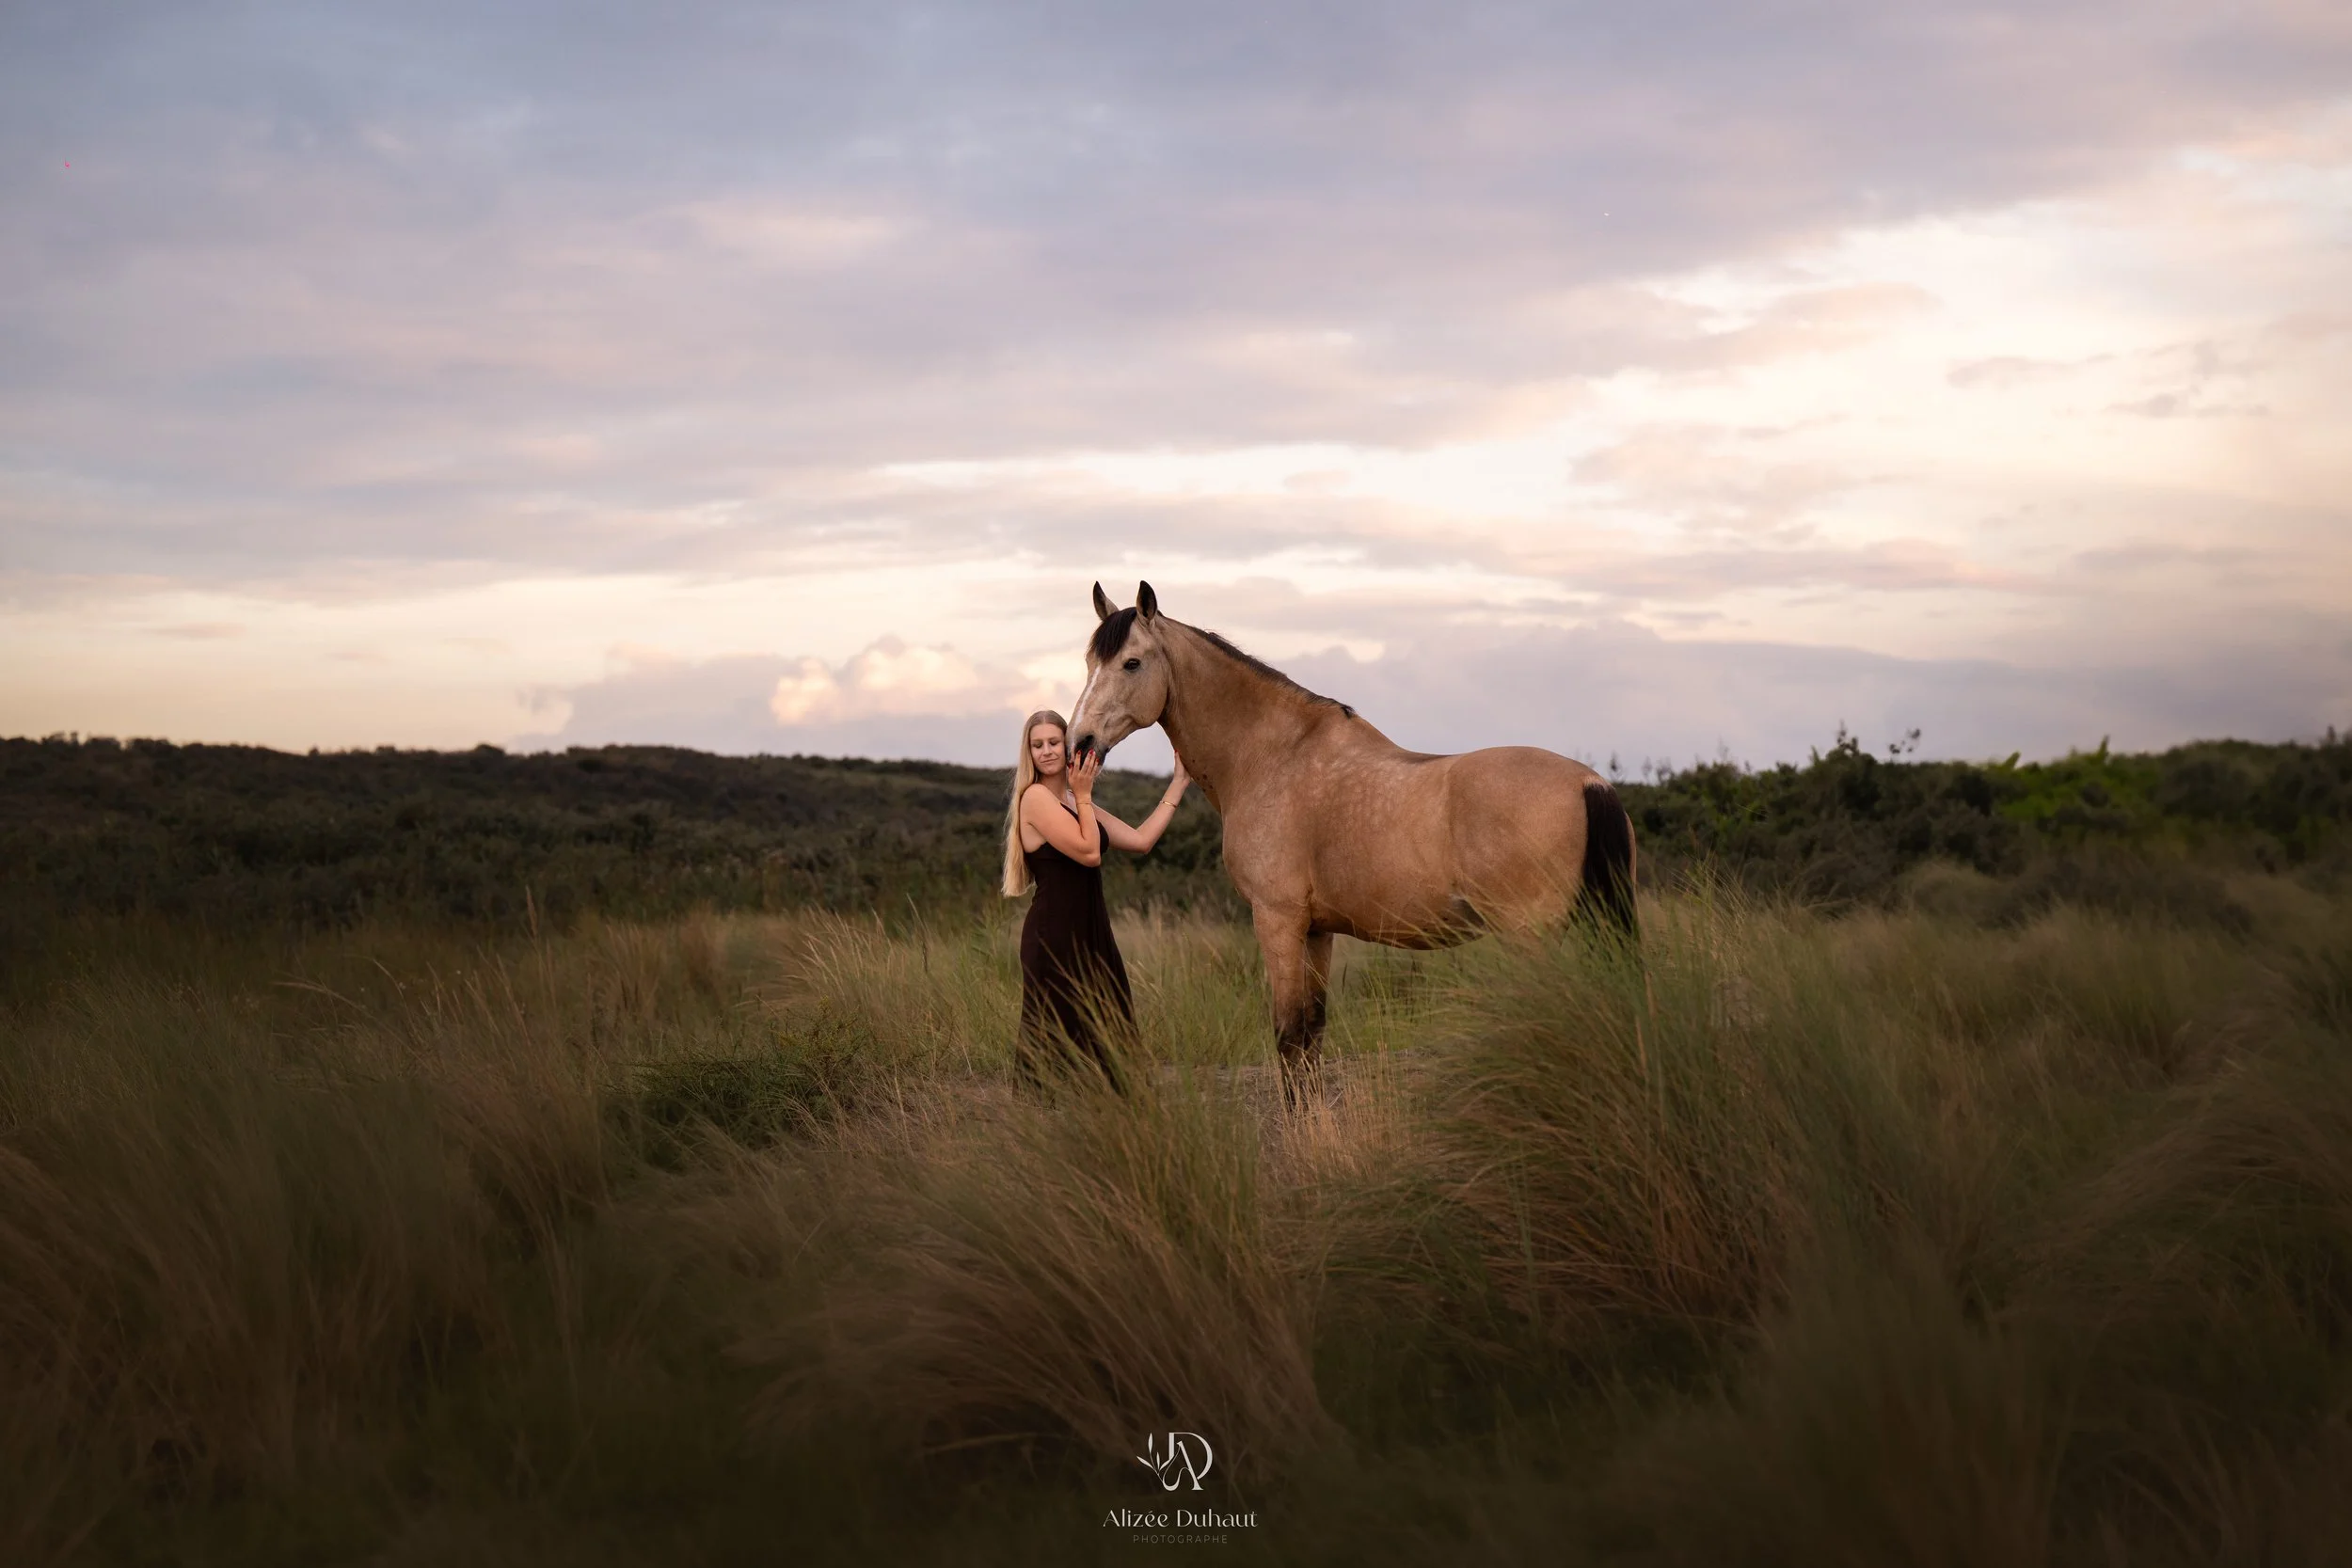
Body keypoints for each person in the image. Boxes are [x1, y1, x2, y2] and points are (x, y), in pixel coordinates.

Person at [1000, 709, 1191, 1088]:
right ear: (1030, 753)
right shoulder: (1036, 798)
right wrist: (1085, 796)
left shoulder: (1073, 800)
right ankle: (1041, 1126)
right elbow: (1090, 852)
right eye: (1037, 745)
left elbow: (1140, 841)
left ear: (1068, 744)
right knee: (1051, 1040)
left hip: (1092, 932)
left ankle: (1113, 1118)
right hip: (1054, 938)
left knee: (1112, 1026)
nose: (1047, 751)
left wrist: (1179, 783)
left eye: (1054, 742)